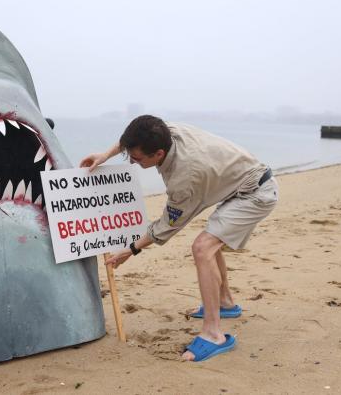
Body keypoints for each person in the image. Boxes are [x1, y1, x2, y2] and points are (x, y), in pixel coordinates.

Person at [80, 115, 278, 362]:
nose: (132, 160)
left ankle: (213, 333)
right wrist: (105, 155)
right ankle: (226, 303)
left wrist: (131, 249)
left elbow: (168, 225)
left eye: (138, 158)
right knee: (211, 240)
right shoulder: (165, 131)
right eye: (130, 155)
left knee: (203, 247)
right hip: (237, 183)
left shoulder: (185, 178)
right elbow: (131, 138)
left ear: (159, 154)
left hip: (255, 194)